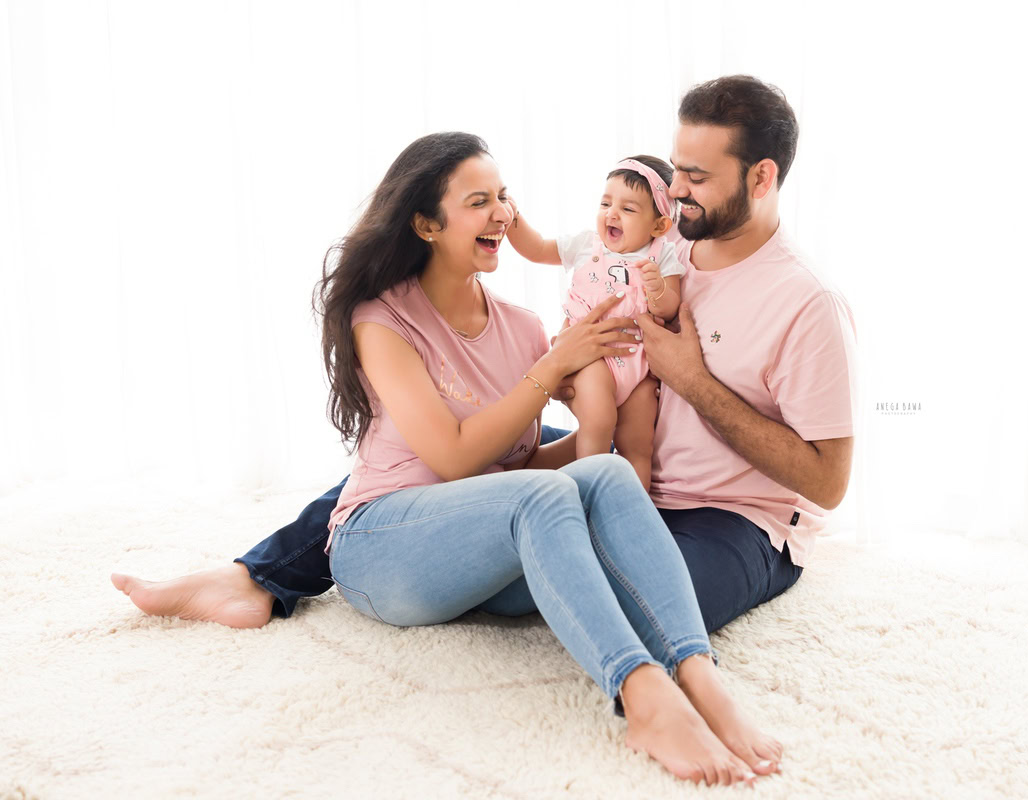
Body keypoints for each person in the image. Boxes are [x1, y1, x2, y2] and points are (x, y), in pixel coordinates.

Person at [115, 72, 857, 773]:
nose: (678, 191)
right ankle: (641, 691)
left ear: (761, 177)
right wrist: (569, 380)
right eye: (677, 172)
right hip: (412, 525)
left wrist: (664, 394)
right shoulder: (656, 254)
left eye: (695, 178)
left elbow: (521, 463)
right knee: (508, 485)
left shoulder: (786, 297)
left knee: (575, 490)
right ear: (425, 222)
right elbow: (459, 457)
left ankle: (701, 679)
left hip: (712, 517)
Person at [504, 155, 684, 488]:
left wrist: (657, 287)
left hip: (639, 368)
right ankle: (589, 495)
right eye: (605, 203)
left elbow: (669, 307)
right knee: (599, 422)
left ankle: (635, 506)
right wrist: (513, 218)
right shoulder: (587, 244)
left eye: (628, 209)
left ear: (658, 226)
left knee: (638, 443)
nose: (611, 214)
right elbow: (536, 248)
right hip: (593, 357)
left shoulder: (661, 255)